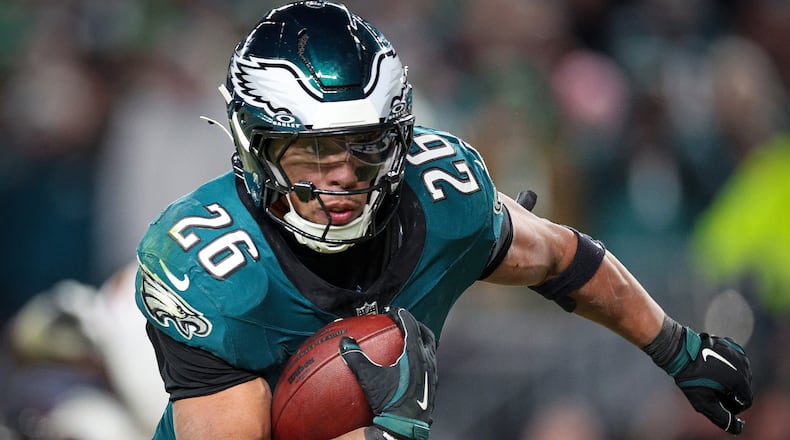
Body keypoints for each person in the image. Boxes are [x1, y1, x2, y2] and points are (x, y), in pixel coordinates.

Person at [134, 2, 753, 439]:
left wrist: (677, 346)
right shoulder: (214, 271)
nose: (343, 176)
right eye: (313, 151)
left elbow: (565, 259)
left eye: (365, 146)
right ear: (256, 148)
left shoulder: (441, 199)